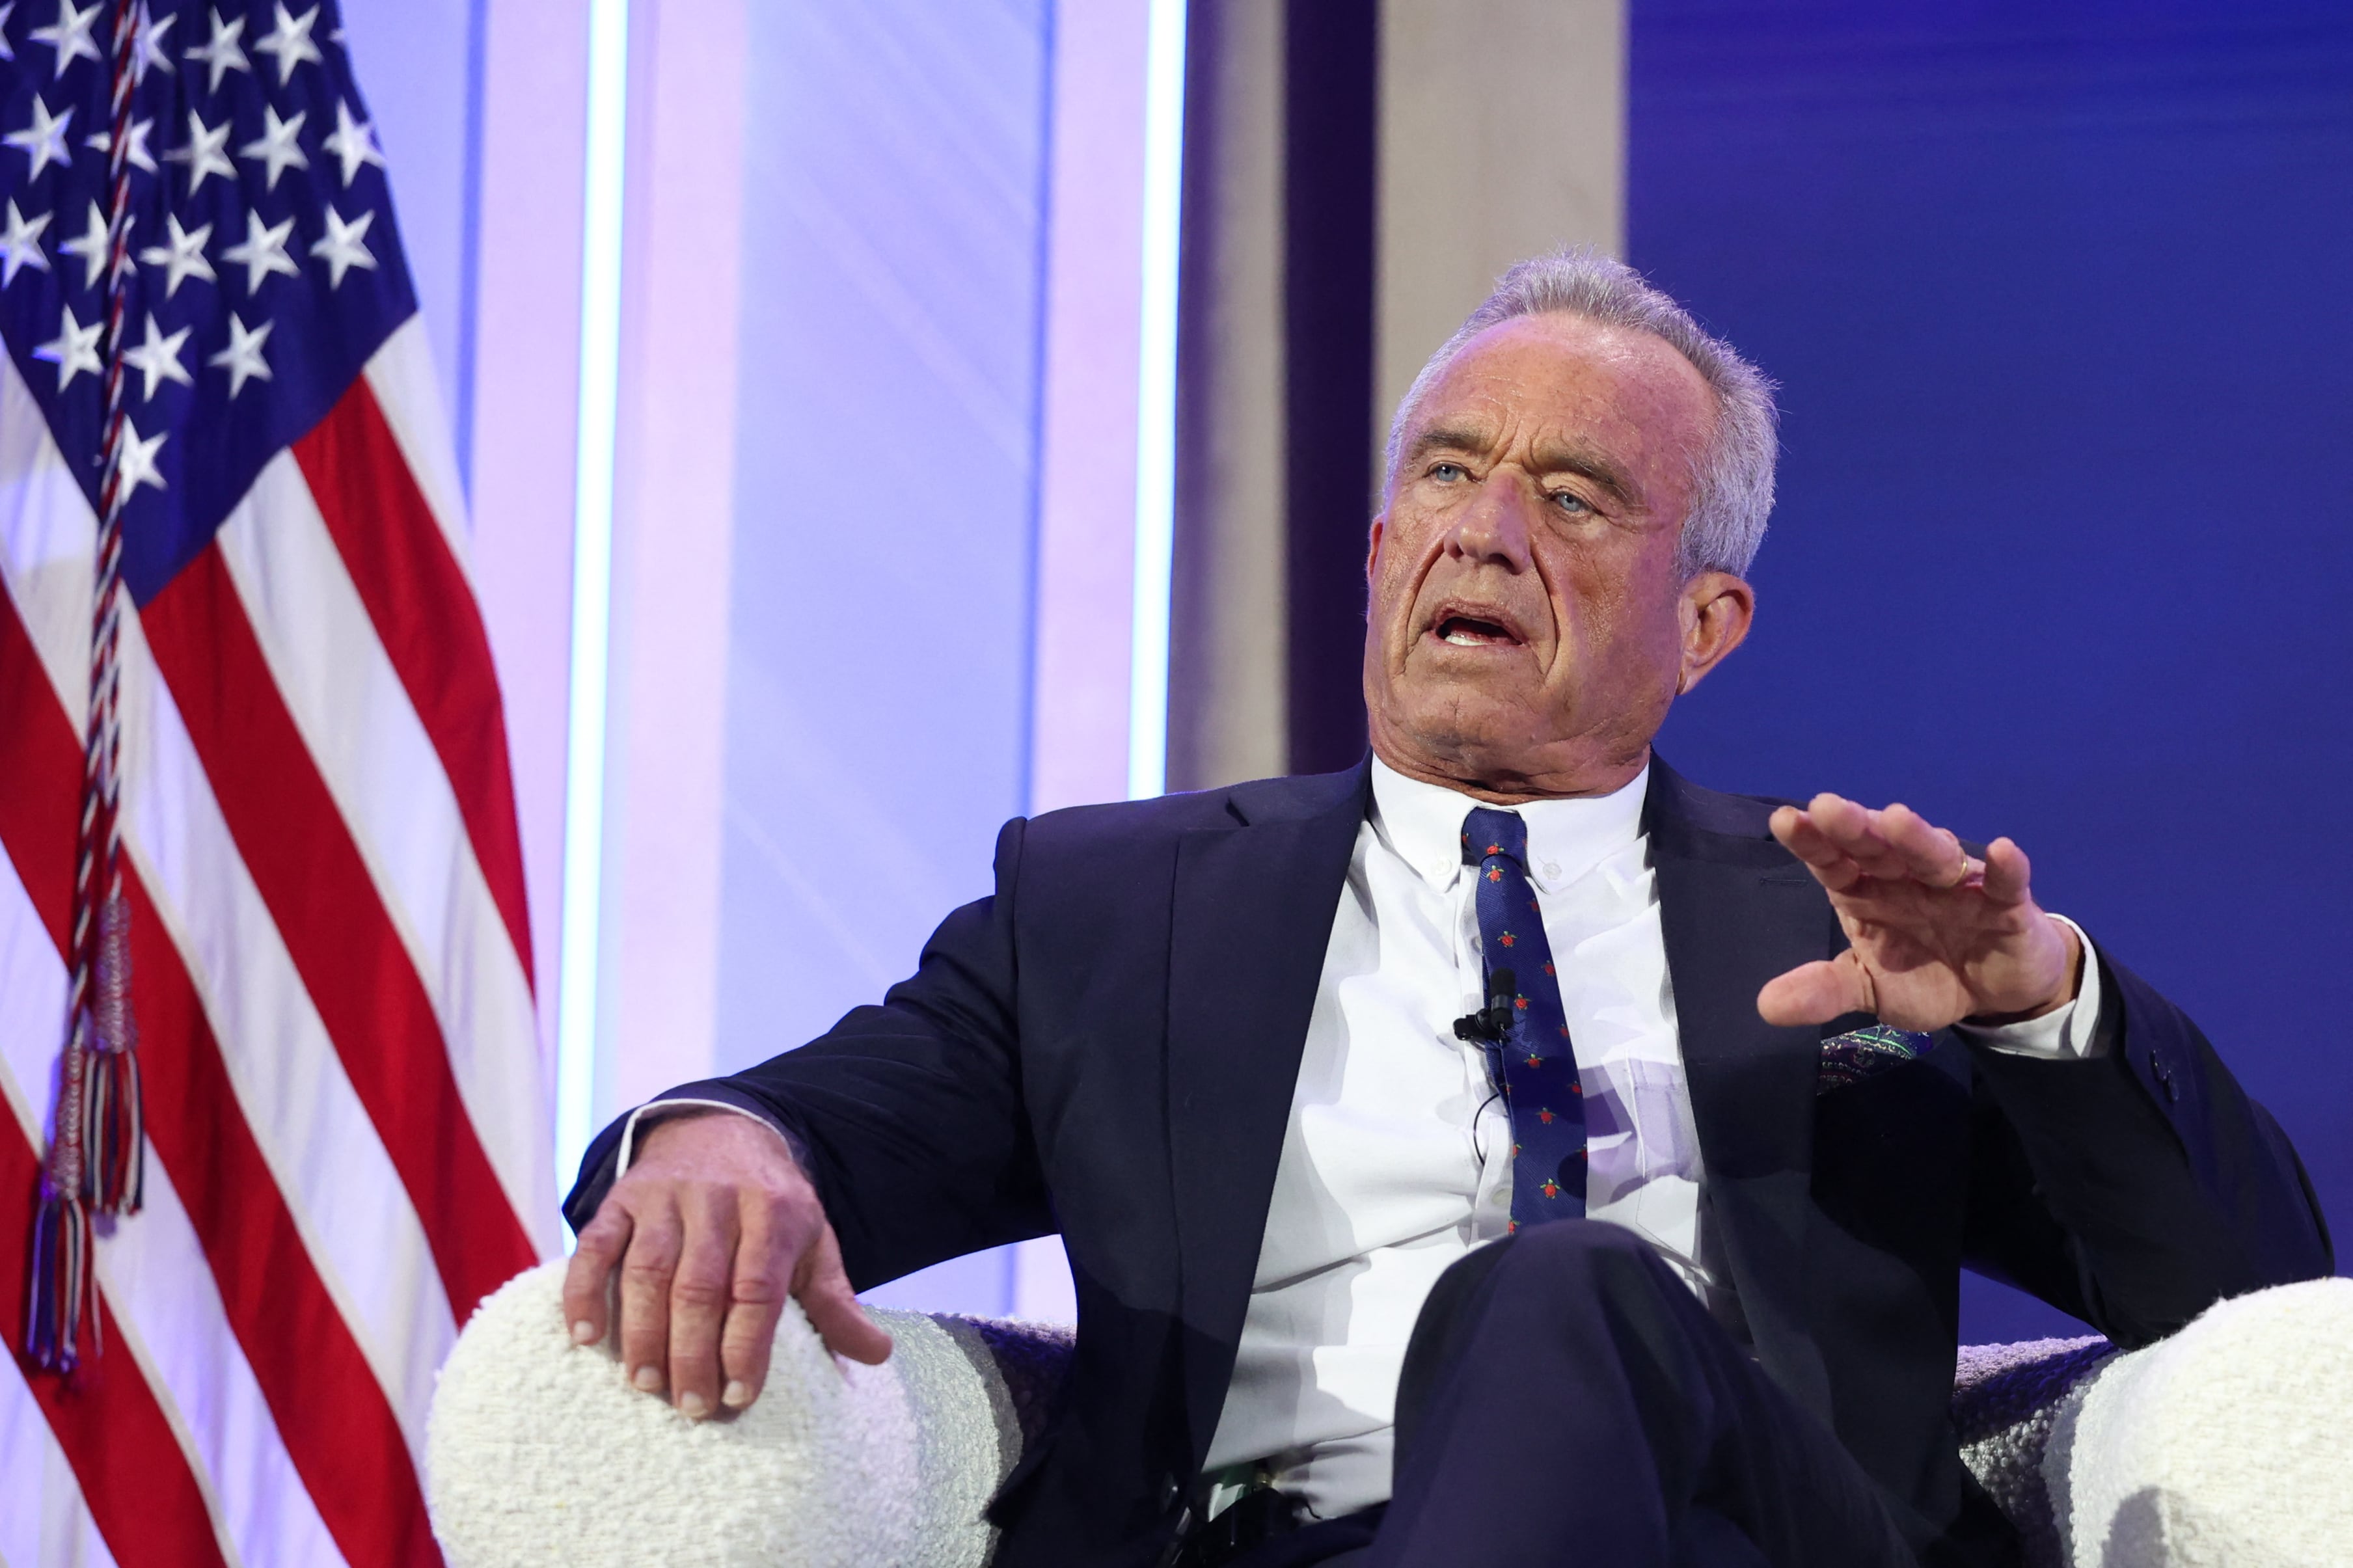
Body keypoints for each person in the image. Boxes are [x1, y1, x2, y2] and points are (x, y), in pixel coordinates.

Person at [558, 251, 2331, 1567]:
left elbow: (2256, 1306)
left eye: (1574, 498)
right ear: (1379, 549)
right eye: (1446, 474)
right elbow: (837, 1119)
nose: (1487, 530)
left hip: (1742, 1541)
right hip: (1263, 1542)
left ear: (1705, 625)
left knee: (1563, 1296)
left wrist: (2041, 1003)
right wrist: (727, 1137)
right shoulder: (1113, 903)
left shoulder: (1851, 936)